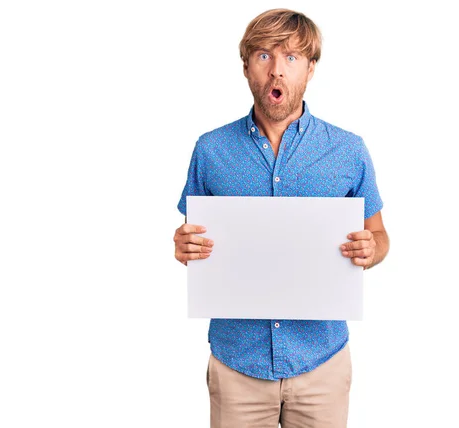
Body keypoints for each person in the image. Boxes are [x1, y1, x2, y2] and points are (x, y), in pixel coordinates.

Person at [173, 8, 389, 428]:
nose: (276, 71)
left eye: (291, 58)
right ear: (245, 67)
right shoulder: (210, 150)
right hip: (237, 363)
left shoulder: (349, 150)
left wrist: (371, 248)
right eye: (264, 56)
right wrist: (183, 246)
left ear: (310, 69)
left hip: (321, 363)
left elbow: (379, 235)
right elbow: (190, 237)